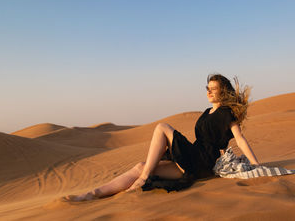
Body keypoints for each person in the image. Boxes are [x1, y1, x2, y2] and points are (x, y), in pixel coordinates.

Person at [62, 73, 259, 202]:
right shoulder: (207, 111)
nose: (208, 91)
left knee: (162, 128)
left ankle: (143, 179)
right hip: (193, 157)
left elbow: (239, 139)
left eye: (213, 88)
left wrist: (256, 164)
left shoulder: (226, 113)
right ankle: (92, 194)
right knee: (141, 165)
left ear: (222, 91)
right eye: (207, 88)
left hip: (201, 161)